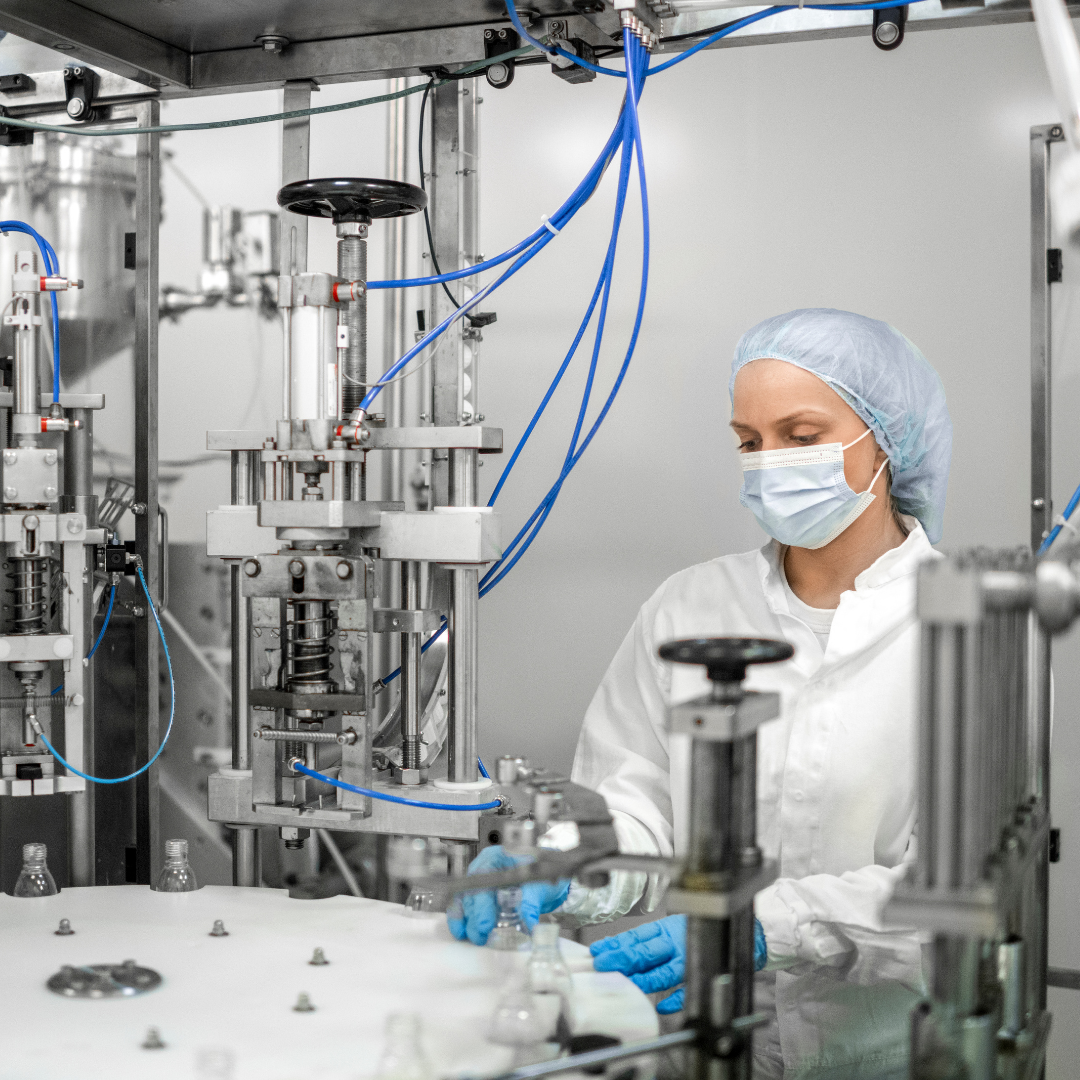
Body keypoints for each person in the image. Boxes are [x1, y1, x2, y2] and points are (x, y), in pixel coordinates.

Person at [449, 308, 952, 1079]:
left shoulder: (966, 626)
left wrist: (769, 927)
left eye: (801, 434)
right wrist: (561, 863)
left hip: (899, 1057)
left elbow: (955, 886)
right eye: (749, 442)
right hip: (708, 1045)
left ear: (886, 439)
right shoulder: (691, 607)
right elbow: (636, 797)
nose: (768, 462)